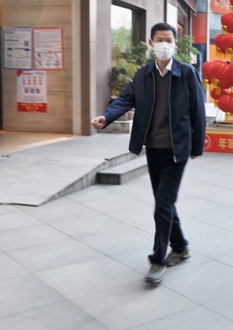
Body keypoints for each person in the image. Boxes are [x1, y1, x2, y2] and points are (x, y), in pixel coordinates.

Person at [90, 22, 206, 285]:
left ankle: (158, 259)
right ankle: (180, 246)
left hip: (177, 149)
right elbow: (125, 99)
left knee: (162, 204)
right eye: (160, 40)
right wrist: (106, 117)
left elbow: (198, 109)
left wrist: (197, 146)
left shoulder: (187, 73)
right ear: (151, 44)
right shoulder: (144, 74)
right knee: (165, 202)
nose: (165, 45)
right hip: (153, 148)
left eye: (169, 40)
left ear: (175, 44)